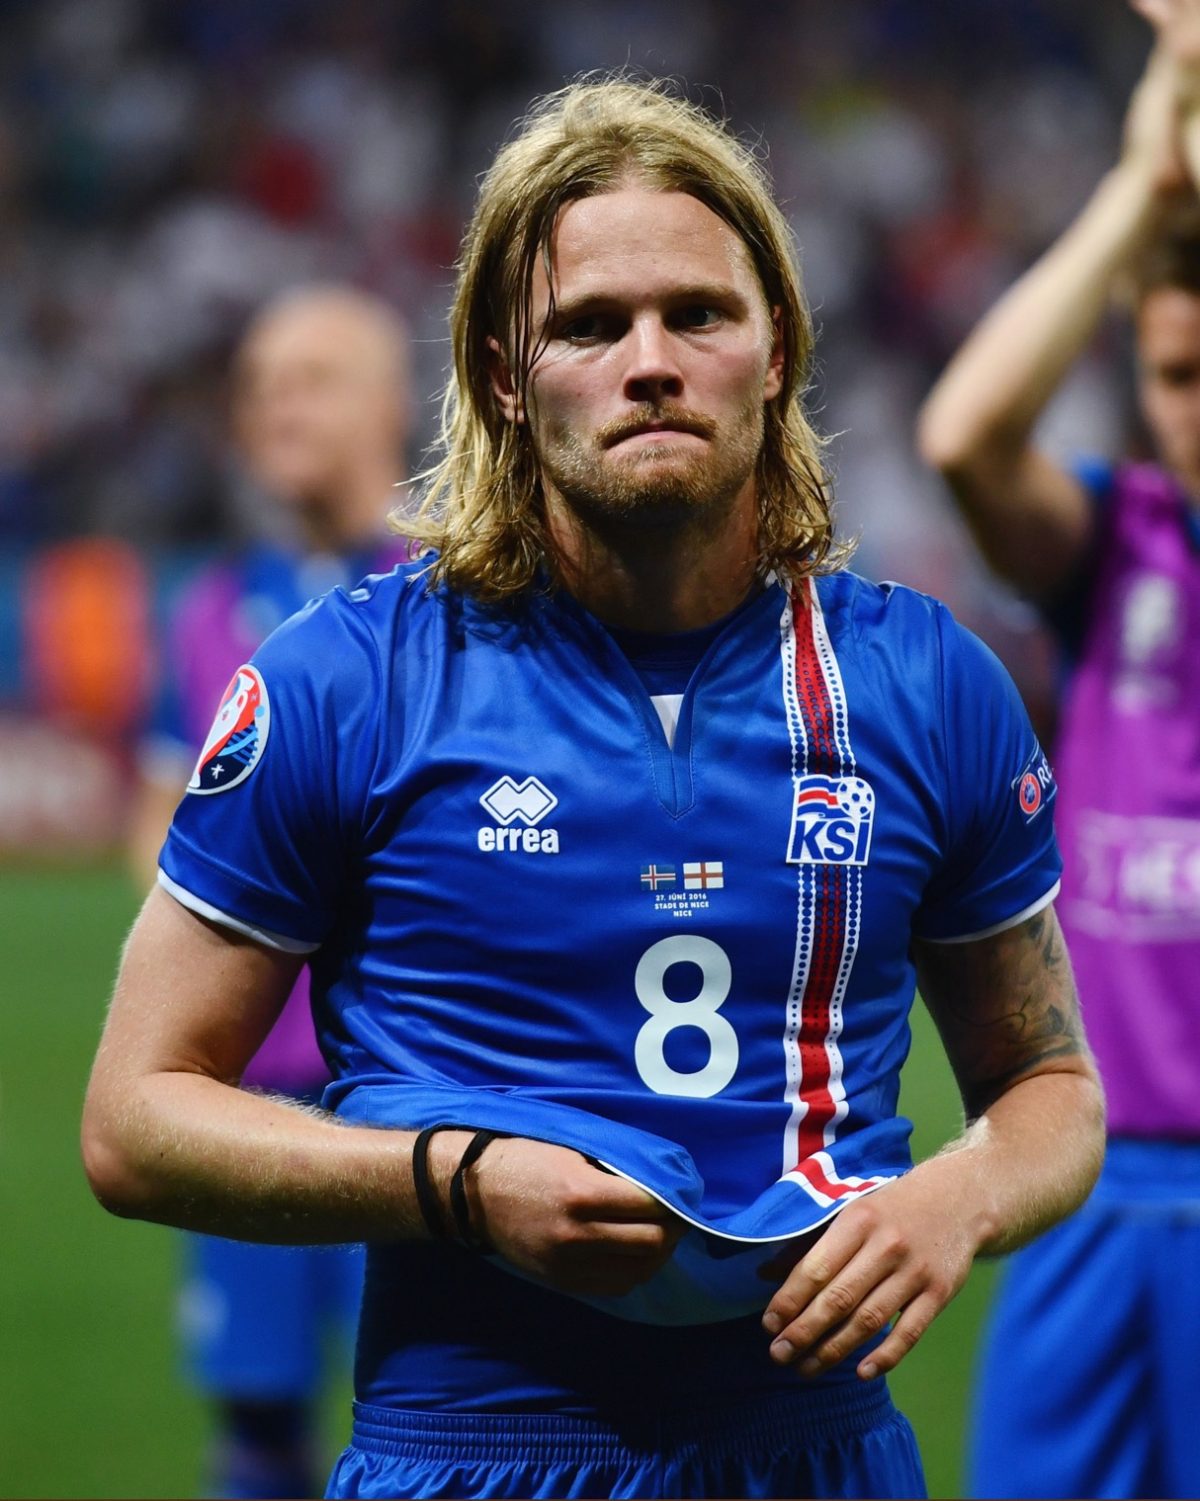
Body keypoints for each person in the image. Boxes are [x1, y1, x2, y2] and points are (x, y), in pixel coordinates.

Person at [83, 78, 1105, 1501]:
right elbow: (133, 1119)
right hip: (464, 1454)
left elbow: (1050, 1084)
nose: (651, 362)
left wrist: (963, 1193)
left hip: (817, 1455)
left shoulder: (927, 683)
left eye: (699, 314)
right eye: (590, 325)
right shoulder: (348, 680)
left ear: (777, 350)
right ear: (505, 375)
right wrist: (456, 1184)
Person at [916, 4, 1200, 1497]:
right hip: (1089, 1177)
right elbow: (963, 434)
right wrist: (1141, 189)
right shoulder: (1121, 544)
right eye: (1177, 376)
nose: (1195, 411)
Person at [128, 284, 414, 1500]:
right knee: (255, 1430)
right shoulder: (207, 609)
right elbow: (154, 829)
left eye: (311, 379)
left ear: (391, 404)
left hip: (409, 1100)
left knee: (436, 1421)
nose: (275, 408)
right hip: (241, 1099)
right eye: (258, 388)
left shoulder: (458, 595)